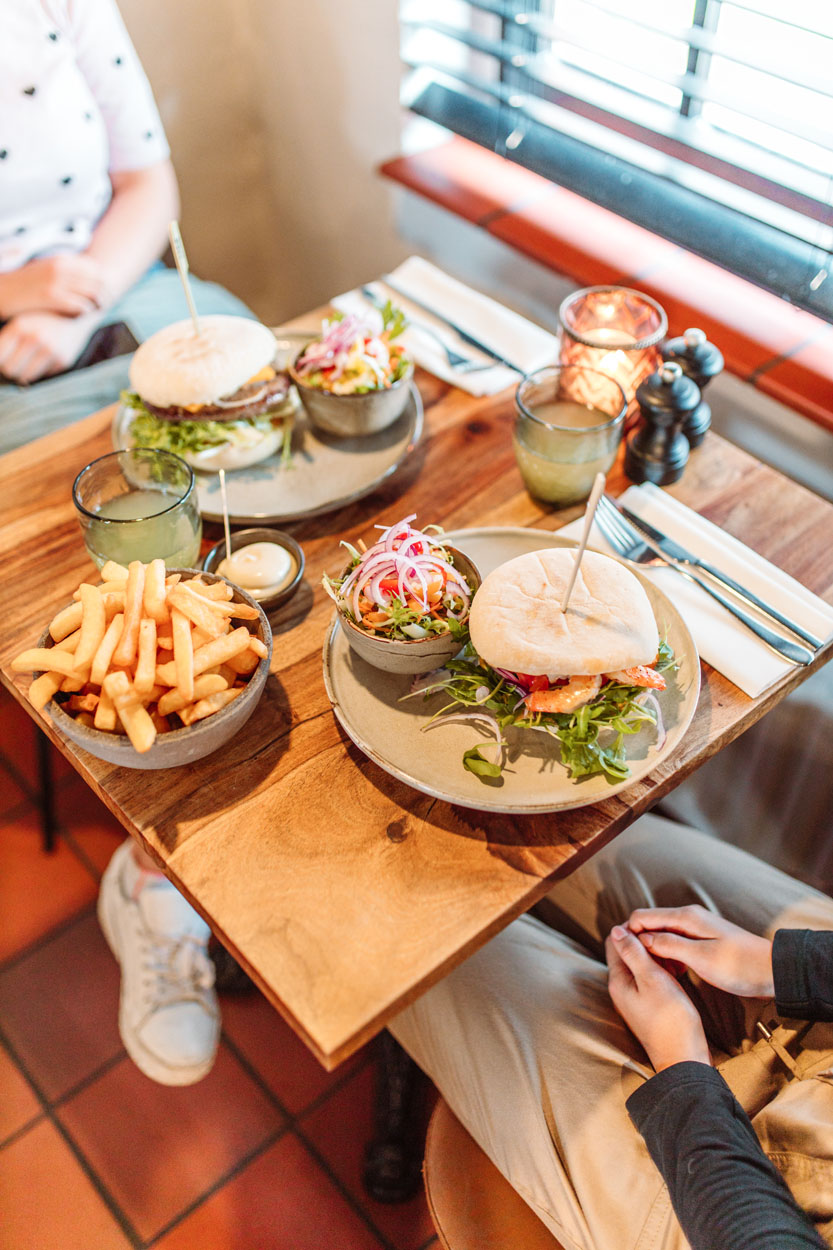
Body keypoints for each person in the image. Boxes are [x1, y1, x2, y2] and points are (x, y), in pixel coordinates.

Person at [1, 0, 256, 1083]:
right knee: (77, 565)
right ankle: (160, 882)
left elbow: (146, 181)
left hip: (105, 293)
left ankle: (221, 836)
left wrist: (78, 297)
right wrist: (10, 294)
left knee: (242, 482)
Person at [391, 811, 833, 1249]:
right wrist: (785, 965)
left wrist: (681, 1070)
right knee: (553, 827)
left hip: (739, 1224)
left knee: (419, 927)